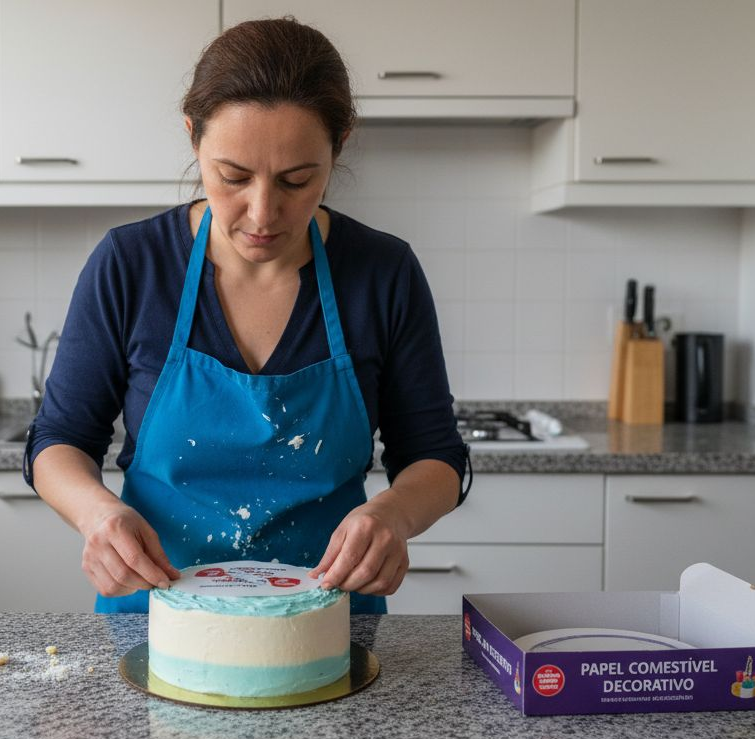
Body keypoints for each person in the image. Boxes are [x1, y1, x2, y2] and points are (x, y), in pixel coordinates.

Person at [25, 17, 469, 614]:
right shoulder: (131, 265)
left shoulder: (383, 273)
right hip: (156, 624)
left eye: (296, 179)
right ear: (193, 139)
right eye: (233, 177)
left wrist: (393, 514)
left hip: (327, 626)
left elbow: (437, 457)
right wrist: (96, 513)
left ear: (338, 148)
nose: (263, 213)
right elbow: (58, 441)